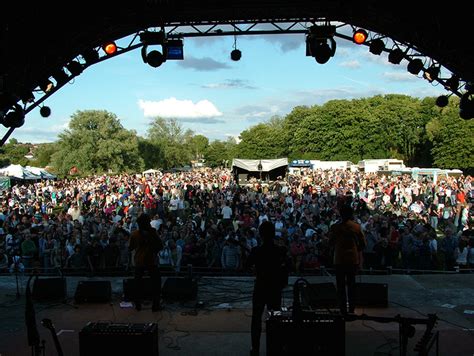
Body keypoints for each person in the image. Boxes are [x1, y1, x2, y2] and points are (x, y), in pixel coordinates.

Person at [246, 221, 289, 356]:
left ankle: (255, 348)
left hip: (260, 287)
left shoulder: (256, 251)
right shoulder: (280, 250)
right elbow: (288, 266)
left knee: (256, 319)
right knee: (275, 317)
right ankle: (274, 347)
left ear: (261, 234)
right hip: (275, 289)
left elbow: (246, 265)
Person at [329, 204, 366, 315]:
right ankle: (352, 309)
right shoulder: (356, 227)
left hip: (339, 259)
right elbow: (363, 244)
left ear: (340, 214)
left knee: (340, 286)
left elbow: (330, 243)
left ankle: (342, 310)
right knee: (351, 285)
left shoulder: (335, 227)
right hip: (352, 259)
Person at [129, 213, 163, 312]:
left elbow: (130, 247)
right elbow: (160, 246)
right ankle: (155, 305)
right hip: (151, 260)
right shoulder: (153, 232)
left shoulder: (135, 234)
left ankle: (138, 305)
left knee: (137, 283)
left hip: (139, 261)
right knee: (156, 283)